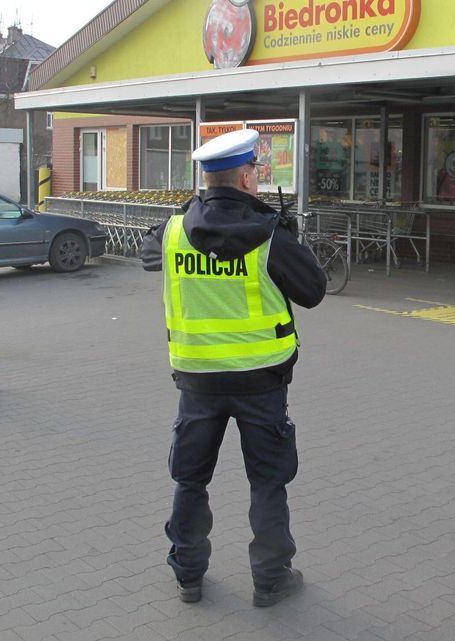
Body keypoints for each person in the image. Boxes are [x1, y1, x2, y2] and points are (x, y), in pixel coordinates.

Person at [141, 128, 327, 606]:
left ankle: (188, 574)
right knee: (267, 482)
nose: (258, 180)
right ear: (245, 178)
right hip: (261, 381)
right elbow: (314, 291)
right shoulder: (270, 236)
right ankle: (270, 578)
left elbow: (147, 256)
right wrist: (290, 239)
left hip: (197, 382)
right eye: (256, 173)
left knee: (190, 479)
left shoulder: (173, 231)